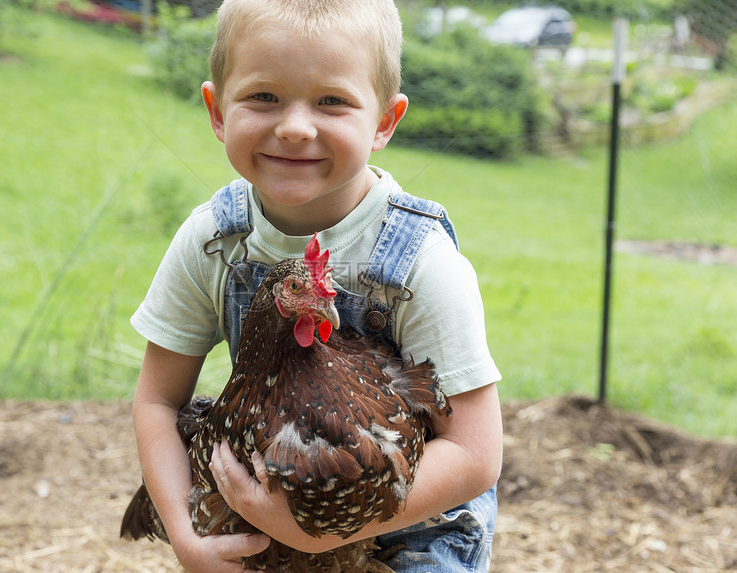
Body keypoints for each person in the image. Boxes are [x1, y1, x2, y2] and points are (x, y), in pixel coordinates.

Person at [128, 0, 503, 571]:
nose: (295, 127)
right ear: (218, 110)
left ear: (384, 121)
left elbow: (475, 455)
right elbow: (158, 400)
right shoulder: (214, 239)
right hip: (264, 511)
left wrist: (318, 534)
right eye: (263, 97)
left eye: (332, 101)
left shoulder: (421, 262)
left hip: (408, 526)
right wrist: (186, 535)